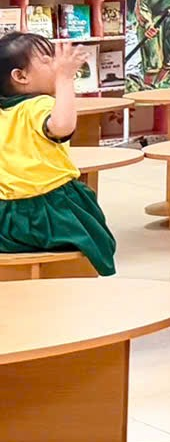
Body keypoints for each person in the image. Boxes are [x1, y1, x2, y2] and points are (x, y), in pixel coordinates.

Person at [0, 31, 114, 273]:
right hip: (51, 213)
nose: (57, 64)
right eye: (47, 59)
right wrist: (65, 79)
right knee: (94, 238)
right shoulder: (37, 105)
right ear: (20, 76)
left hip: (7, 218)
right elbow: (62, 127)